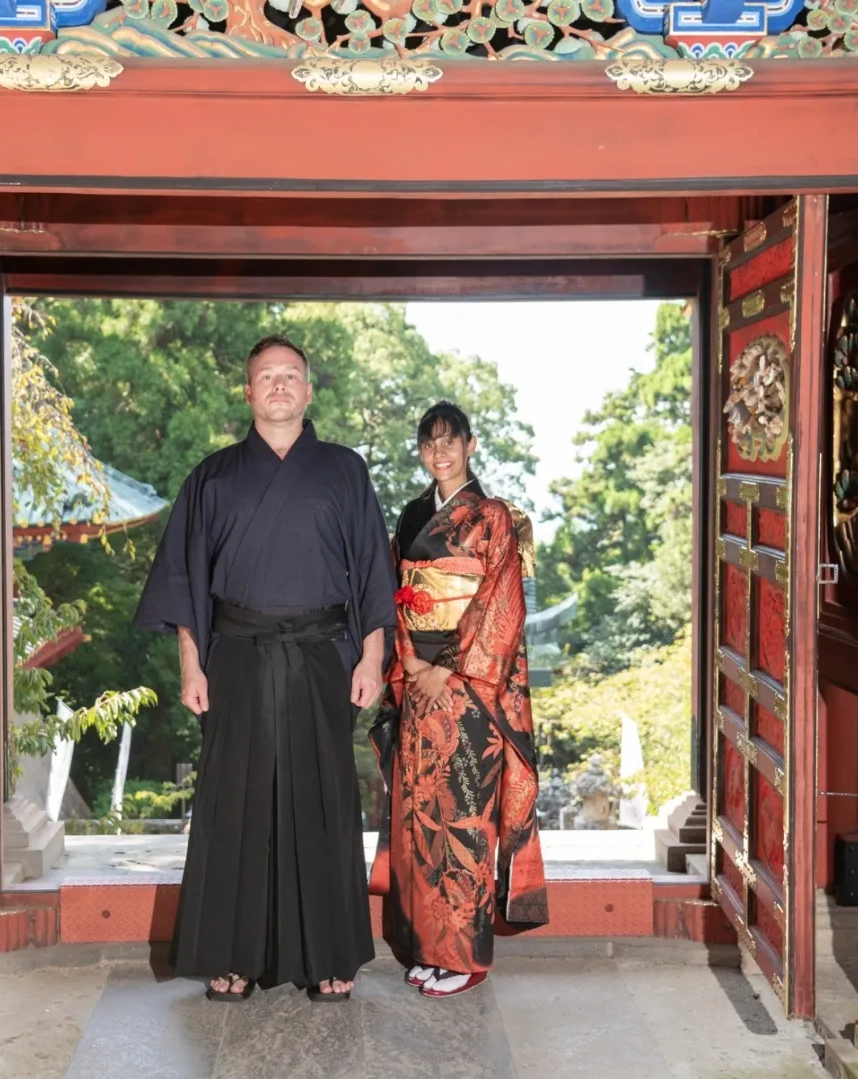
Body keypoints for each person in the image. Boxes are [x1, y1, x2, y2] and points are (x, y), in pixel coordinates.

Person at [133, 334, 397, 1003]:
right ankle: (232, 956)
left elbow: (371, 569)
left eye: (291, 376)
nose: (279, 386)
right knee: (235, 807)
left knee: (324, 804)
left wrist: (371, 657)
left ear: (309, 391)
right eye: (266, 377)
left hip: (322, 655)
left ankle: (330, 955)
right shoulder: (213, 476)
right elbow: (186, 581)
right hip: (237, 657)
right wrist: (192, 666)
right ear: (247, 393)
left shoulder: (343, 470)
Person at [369, 401, 549, 998]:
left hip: (470, 690)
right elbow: (396, 593)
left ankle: (466, 957)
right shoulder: (414, 513)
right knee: (422, 816)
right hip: (417, 677)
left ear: (470, 445)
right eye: (428, 444)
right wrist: (411, 662)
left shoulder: (492, 516)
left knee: (464, 816)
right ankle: (427, 947)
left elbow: (502, 604)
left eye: (450, 441)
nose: (439, 453)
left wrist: (446, 668)